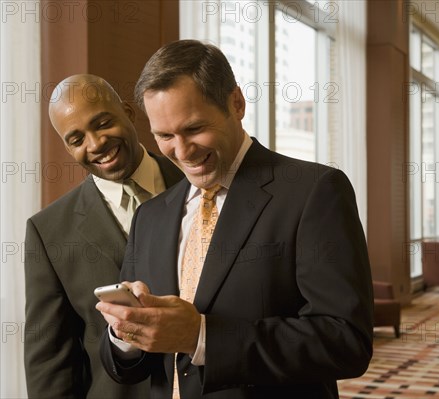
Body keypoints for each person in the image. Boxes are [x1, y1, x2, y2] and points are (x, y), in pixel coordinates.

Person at [97, 40, 373, 399]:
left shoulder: (314, 192)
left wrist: (200, 336)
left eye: (194, 128)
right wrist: (125, 333)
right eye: (164, 136)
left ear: (237, 104)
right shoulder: (150, 216)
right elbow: (128, 368)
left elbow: (345, 341)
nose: (181, 152)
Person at [24, 74, 184, 398]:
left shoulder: (197, 186)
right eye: (76, 138)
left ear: (129, 111)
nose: (95, 144)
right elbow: (50, 365)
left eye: (102, 123)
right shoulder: (48, 232)